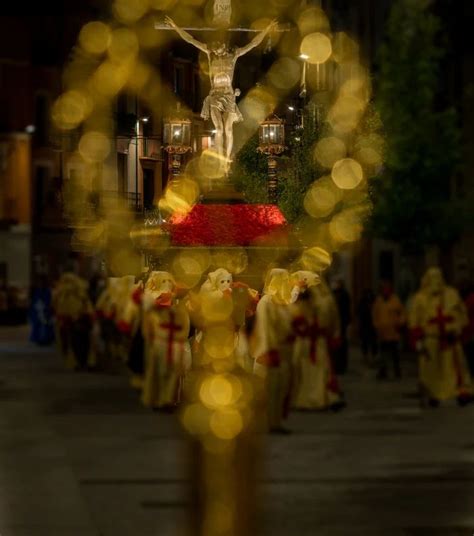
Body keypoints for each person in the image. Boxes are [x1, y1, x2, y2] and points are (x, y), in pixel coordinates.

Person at [165, 15, 278, 162]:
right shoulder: (210, 54)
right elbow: (191, 40)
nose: (218, 47)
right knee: (219, 128)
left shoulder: (233, 55)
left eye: (221, 44)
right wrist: (175, 27)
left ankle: (227, 158)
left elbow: (253, 44)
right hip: (215, 96)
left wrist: (267, 29)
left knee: (228, 129)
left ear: (225, 45)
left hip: (229, 95)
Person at [408, 267, 473, 407]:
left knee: (456, 367)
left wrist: (457, 329)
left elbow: (462, 315)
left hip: (450, 339)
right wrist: (417, 340)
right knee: (430, 370)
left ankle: (462, 392)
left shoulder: (452, 294)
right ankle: (432, 394)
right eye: (432, 278)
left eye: (438, 277)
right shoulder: (420, 298)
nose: (435, 282)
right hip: (431, 338)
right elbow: (414, 320)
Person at [291, 272, 344, 411]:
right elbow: (333, 321)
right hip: (315, 341)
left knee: (308, 371)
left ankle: (305, 400)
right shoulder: (326, 299)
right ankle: (321, 398)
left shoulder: (305, 299)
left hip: (307, 341)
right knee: (318, 371)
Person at [250, 268, 295, 434]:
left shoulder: (281, 301)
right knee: (268, 390)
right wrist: (269, 350)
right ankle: (264, 423)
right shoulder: (267, 302)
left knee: (279, 390)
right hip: (268, 352)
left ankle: (275, 422)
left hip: (282, 351)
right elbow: (265, 328)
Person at [141, 271, 191, 411]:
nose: (167, 284)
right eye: (164, 281)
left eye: (169, 281)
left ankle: (171, 399)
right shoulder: (151, 299)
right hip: (160, 341)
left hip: (175, 341)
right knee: (158, 371)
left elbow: (184, 320)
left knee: (175, 372)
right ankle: (157, 398)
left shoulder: (177, 301)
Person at [372, 281, 406, 380]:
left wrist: (400, 323)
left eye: (387, 289)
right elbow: (375, 314)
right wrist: (376, 326)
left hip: (393, 332)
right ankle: (383, 371)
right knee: (383, 353)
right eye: (384, 289)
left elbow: (402, 313)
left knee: (395, 353)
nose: (385, 291)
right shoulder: (378, 301)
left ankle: (397, 370)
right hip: (382, 332)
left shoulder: (396, 300)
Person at [332, 278, 351, 374]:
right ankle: (336, 365)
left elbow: (346, 310)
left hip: (342, 323)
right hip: (336, 323)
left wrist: (347, 322)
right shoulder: (334, 294)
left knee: (342, 344)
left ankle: (342, 366)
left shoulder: (344, 295)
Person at [29, 276, 55, 345]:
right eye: (39, 282)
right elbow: (34, 300)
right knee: (38, 325)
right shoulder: (37, 290)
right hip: (38, 309)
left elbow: (49, 300)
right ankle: (39, 339)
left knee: (46, 325)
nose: (40, 283)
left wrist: (47, 308)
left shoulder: (47, 291)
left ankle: (47, 339)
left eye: (41, 282)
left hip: (45, 310)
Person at [357, 288, 378, 368]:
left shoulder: (374, 300)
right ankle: (366, 356)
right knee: (365, 341)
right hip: (365, 324)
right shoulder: (362, 301)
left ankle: (372, 356)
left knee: (373, 341)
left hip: (372, 324)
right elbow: (359, 312)